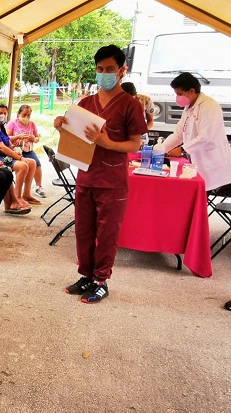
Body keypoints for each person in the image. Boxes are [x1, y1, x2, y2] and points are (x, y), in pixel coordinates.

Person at [54, 45, 147, 304]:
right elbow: (74, 139)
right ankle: (86, 275)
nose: (104, 74)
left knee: (107, 233)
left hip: (113, 181)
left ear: (122, 71)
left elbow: (134, 143)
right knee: (84, 230)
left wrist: (108, 143)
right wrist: (61, 126)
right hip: (86, 176)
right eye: (99, 69)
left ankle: (101, 280)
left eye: (109, 69)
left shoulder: (130, 105)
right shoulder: (85, 104)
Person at [160, 72, 231, 191]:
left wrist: (182, 149)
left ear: (191, 91)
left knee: (201, 196)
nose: (177, 98)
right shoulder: (189, 107)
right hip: (196, 161)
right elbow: (178, 134)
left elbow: (205, 137)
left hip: (212, 162)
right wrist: (160, 150)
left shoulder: (209, 106)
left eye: (179, 94)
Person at [0, 104, 40, 207]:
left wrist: (15, 149)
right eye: (0, 113)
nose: (3, 115)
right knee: (23, 165)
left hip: (5, 155)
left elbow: (7, 142)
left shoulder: (1, 127)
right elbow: (0, 147)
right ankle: (17, 197)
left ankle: (26, 194)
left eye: (5, 113)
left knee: (32, 162)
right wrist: (19, 157)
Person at [6, 105, 46, 198]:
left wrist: (33, 138)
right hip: (16, 150)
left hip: (28, 149)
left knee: (37, 163)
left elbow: (37, 138)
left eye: (28, 115)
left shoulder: (32, 124)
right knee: (22, 166)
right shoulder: (12, 124)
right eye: (24, 115)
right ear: (19, 113)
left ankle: (38, 187)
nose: (26, 118)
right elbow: (6, 139)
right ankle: (17, 193)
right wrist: (18, 137)